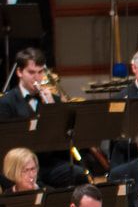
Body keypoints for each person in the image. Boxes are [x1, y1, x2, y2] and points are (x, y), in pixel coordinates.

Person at [0, 48, 87, 188]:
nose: (37, 77)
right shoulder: (7, 103)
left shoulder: (53, 100)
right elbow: (5, 145)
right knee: (43, 189)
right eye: (31, 72)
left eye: (40, 72)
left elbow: (63, 139)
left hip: (47, 163)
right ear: (19, 72)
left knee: (78, 174)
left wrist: (52, 109)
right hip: (20, 166)